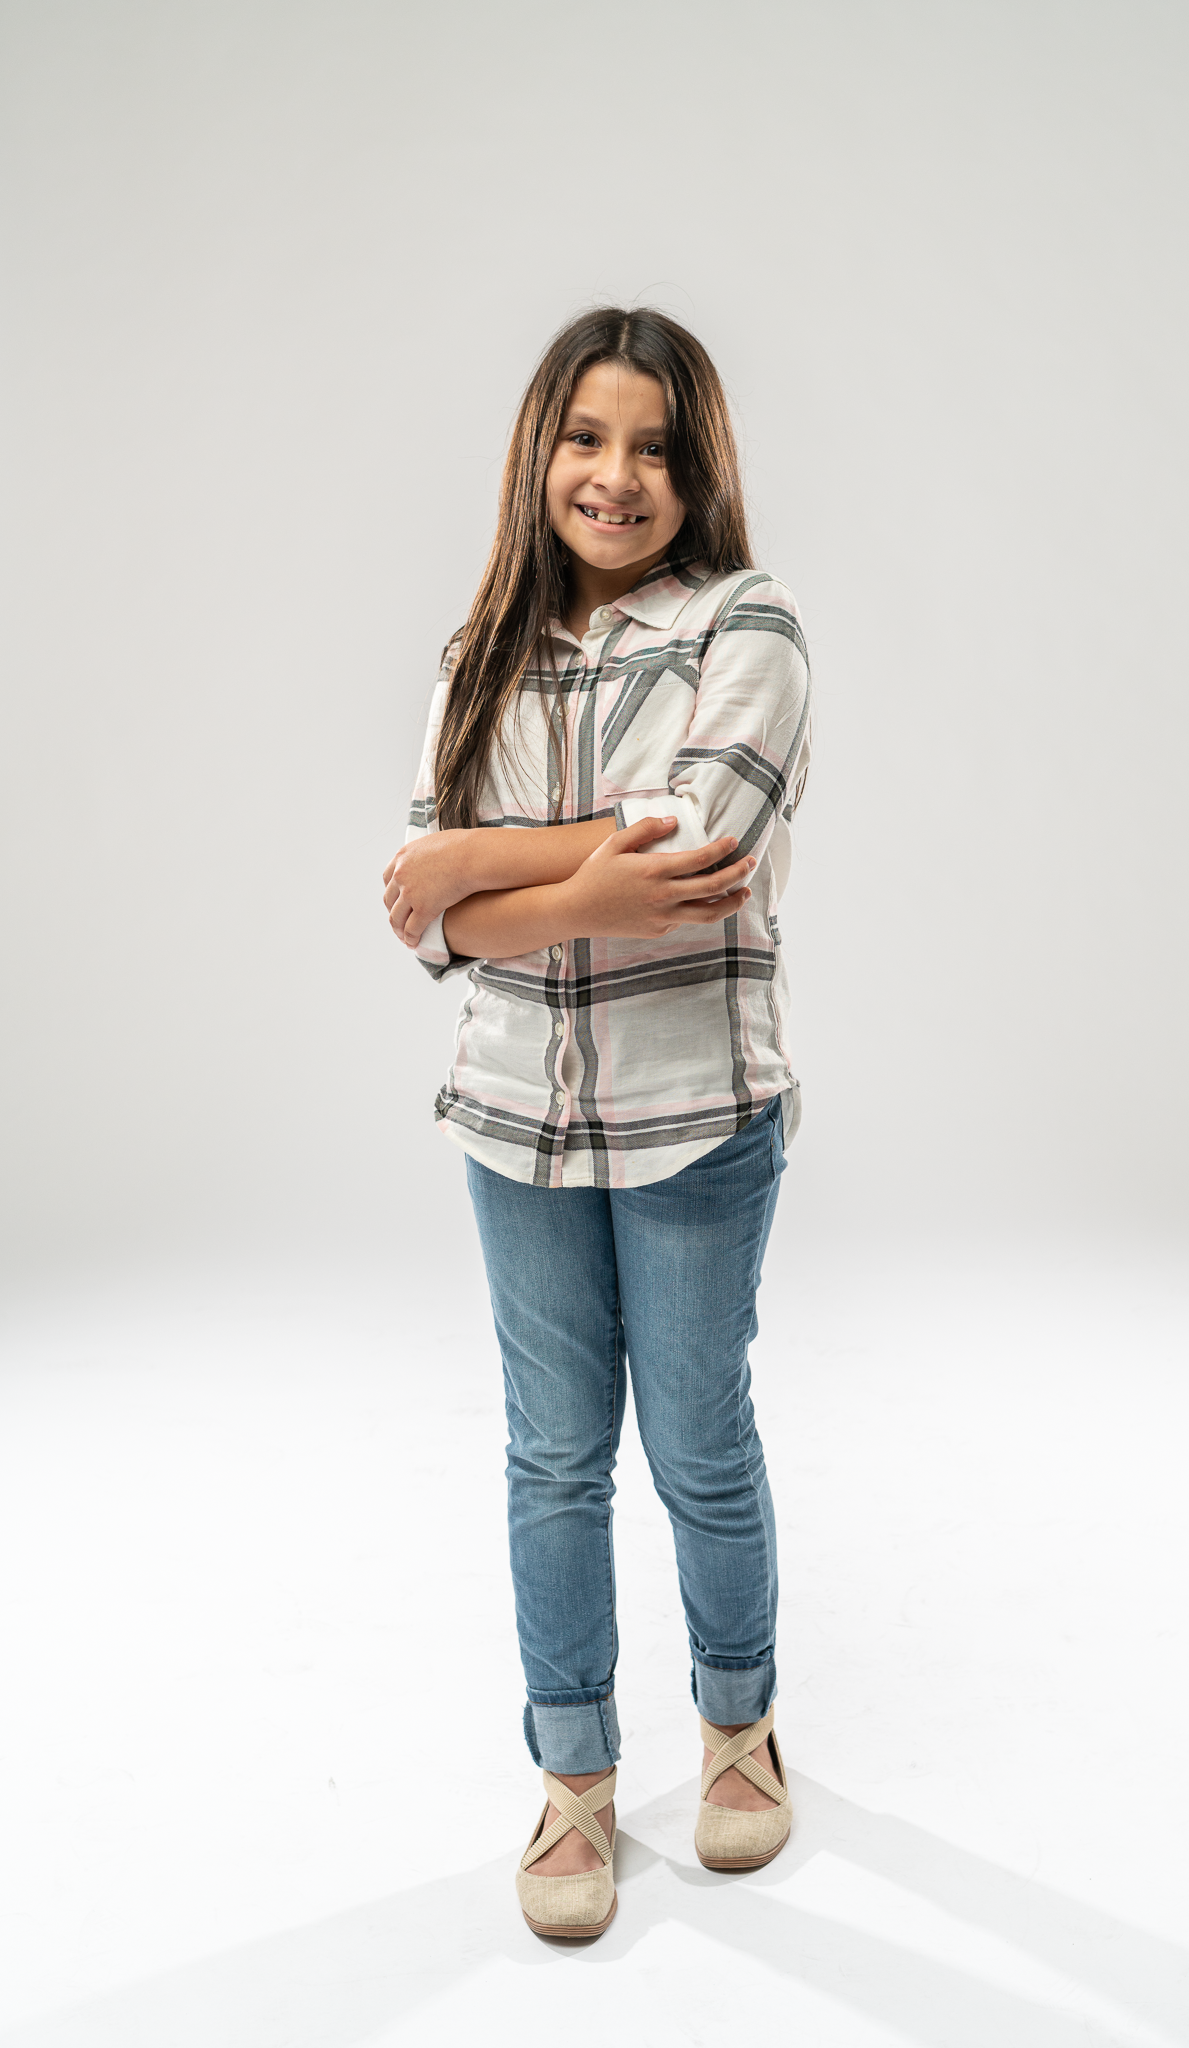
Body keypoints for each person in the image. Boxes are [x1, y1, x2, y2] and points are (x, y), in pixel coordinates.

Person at [382, 307, 810, 1940]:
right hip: (513, 1125)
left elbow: (684, 860)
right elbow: (420, 925)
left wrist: (474, 864)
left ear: (694, 471)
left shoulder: (744, 624)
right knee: (552, 1457)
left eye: (651, 446)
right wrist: (504, 886)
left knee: (698, 1446)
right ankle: (571, 1777)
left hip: (695, 1115)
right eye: (585, 439)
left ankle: (738, 1729)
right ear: (537, 455)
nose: (614, 476)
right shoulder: (473, 653)